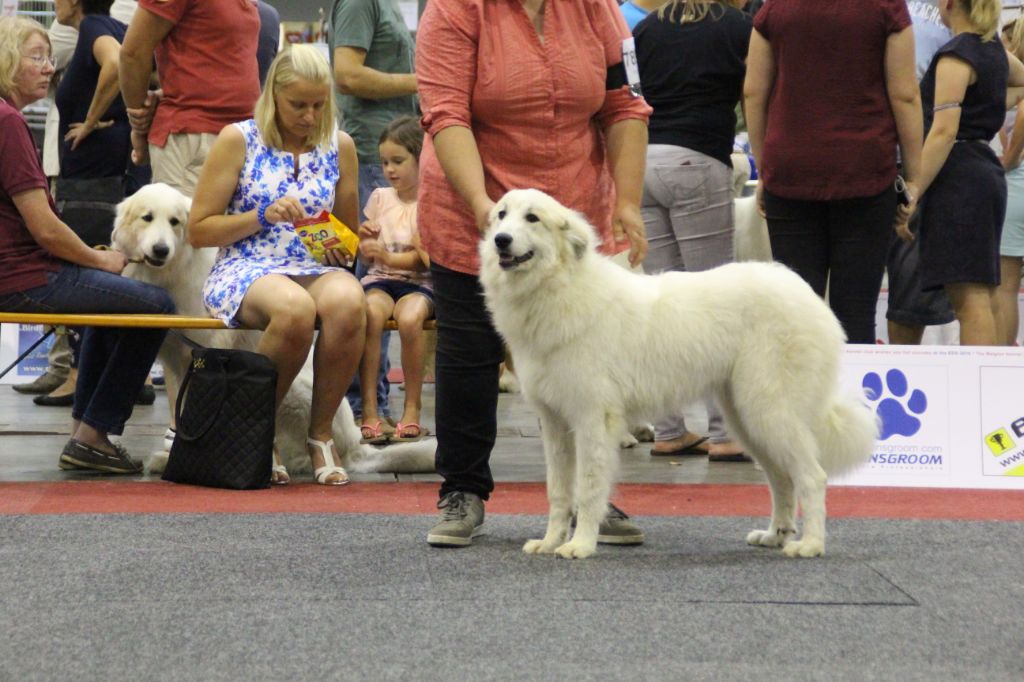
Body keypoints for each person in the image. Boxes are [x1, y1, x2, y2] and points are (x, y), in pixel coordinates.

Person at [416, 0, 651, 547]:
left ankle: (589, 499)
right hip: (475, 205)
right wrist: (484, 207)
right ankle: (463, 491)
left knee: (590, 369)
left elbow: (626, 107)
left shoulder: (598, 12)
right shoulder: (454, 12)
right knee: (470, 351)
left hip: (567, 220)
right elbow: (446, 114)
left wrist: (630, 201)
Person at [0, 16, 175, 474]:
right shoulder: (8, 123)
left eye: (48, 58)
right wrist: (99, 257)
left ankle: (86, 429)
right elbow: (45, 230)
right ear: (5, 60)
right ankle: (94, 433)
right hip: (23, 277)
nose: (49, 68)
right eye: (36, 57)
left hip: (18, 271)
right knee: (158, 303)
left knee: (110, 296)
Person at [189, 45, 365, 486]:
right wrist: (260, 216)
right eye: (298, 105)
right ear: (273, 95)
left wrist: (346, 247)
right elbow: (199, 230)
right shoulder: (238, 139)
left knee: (348, 301)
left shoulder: (339, 146)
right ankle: (253, 429)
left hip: (311, 266)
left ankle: (320, 434)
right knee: (294, 310)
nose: (310, 116)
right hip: (245, 265)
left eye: (319, 105)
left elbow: (348, 233)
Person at [744, 0, 924, 344]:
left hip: (790, 172)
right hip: (865, 173)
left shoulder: (775, 9)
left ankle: (800, 397)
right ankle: (853, 395)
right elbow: (905, 95)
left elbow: (754, 92)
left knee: (798, 313)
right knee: (855, 313)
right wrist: (913, 177)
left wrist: (766, 166)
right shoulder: (887, 7)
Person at [633, 0, 751, 463]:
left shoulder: (647, 29)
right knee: (715, 302)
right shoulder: (737, 26)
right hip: (697, 159)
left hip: (642, 161)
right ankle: (724, 432)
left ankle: (667, 428)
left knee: (662, 305)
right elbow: (756, 91)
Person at [897, 0, 1024, 346]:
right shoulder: (995, 49)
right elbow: (1020, 80)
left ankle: (975, 390)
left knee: (969, 300)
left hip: (958, 180)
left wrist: (914, 189)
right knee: (986, 292)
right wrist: (993, 102)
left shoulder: (956, 56)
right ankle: (991, 383)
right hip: (985, 173)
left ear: (951, 4)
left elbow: (943, 132)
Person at [33, 0, 135, 409]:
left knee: (83, 266)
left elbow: (114, 65)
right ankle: (107, 371)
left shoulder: (94, 27)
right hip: (105, 167)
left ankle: (80, 373)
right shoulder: (109, 25)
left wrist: (92, 119)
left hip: (92, 174)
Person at [331, 0, 419, 425]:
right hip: (370, 155)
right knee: (368, 283)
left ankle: (372, 406)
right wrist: (423, 81)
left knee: (381, 288)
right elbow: (347, 74)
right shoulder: (360, 2)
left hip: (385, 154)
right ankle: (362, 407)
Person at [119, 0, 260, 196]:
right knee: (188, 224)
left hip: (239, 136)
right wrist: (139, 121)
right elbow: (132, 54)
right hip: (192, 137)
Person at [885, 0, 957, 346]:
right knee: (906, 296)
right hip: (901, 163)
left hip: (910, 163)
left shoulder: (951, 16)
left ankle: (900, 372)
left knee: (908, 298)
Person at [356, 116, 432, 444]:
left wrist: (387, 255)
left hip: (420, 282)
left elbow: (422, 259)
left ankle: (412, 407)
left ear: (421, 159)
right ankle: (370, 408)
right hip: (382, 278)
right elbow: (365, 258)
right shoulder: (379, 198)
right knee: (370, 314)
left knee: (410, 318)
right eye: (385, 162)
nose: (390, 169)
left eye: (398, 161)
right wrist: (365, 243)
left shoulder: (429, 203)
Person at [997, 17, 1024, 345]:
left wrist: (1001, 164)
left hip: (1016, 184)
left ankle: (1003, 359)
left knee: (1004, 286)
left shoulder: (1017, 93)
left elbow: (1013, 155)